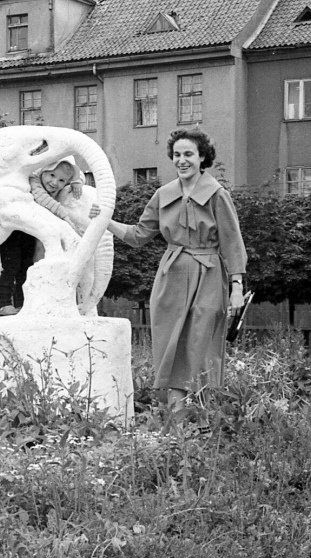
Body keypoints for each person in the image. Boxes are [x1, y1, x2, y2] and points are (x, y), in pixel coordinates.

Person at [93, 129, 247, 401]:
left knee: (202, 343)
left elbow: (232, 243)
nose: (182, 160)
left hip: (208, 276)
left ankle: (203, 417)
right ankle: (175, 418)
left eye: (189, 154)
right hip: (171, 276)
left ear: (202, 158)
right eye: (177, 155)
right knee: (171, 344)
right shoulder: (163, 194)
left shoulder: (217, 195)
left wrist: (237, 287)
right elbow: (139, 236)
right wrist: (105, 220)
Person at [0, 158, 83, 316]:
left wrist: (75, 182)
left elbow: (71, 179)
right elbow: (43, 199)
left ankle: (21, 304)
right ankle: (3, 303)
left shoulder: (53, 189)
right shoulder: (34, 182)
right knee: (11, 266)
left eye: (62, 180)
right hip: (14, 230)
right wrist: (66, 217)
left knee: (26, 267)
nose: (55, 182)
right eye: (52, 175)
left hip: (30, 232)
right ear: (43, 171)